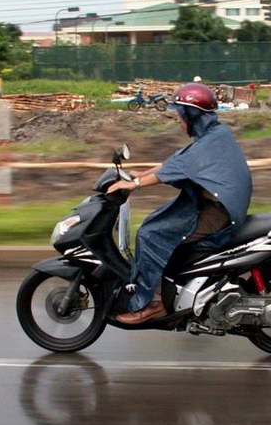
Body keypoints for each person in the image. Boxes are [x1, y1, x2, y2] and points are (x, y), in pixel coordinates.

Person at [107, 83, 253, 324]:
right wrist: (140, 175)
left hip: (219, 213)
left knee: (151, 235)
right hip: (213, 205)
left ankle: (154, 304)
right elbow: (176, 162)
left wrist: (135, 185)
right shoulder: (213, 134)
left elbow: (179, 167)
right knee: (154, 221)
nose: (178, 121)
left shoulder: (211, 140)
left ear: (192, 115)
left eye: (180, 116)